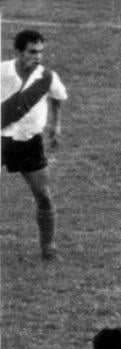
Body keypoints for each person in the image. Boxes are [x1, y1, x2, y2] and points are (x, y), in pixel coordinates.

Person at [1, 29, 67, 261]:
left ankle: (48, 248)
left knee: (43, 195)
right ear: (19, 52)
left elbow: (58, 97)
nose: (37, 56)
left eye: (40, 52)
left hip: (29, 141)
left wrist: (56, 125)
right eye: (32, 52)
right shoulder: (2, 71)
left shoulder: (47, 77)